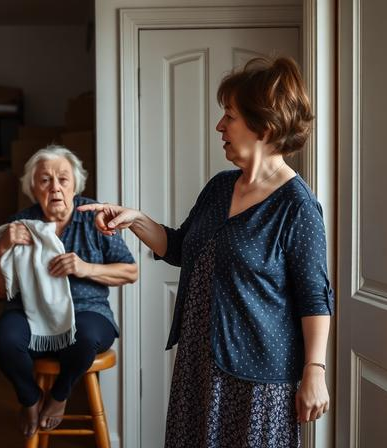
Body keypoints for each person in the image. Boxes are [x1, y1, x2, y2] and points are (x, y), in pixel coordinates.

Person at [79, 56, 333, 447]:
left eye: (229, 116)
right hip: (199, 364)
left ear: (263, 125)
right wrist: (135, 219)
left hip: (257, 378)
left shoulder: (297, 206)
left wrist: (314, 370)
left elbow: (314, 297)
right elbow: (184, 248)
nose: (220, 126)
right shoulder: (219, 188)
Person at [0, 145, 138, 438]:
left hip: (87, 310)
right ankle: (30, 399)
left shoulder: (94, 218)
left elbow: (131, 271)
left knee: (85, 337)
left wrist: (85, 268)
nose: (55, 187)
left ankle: (58, 397)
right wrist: (3, 246)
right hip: (30, 313)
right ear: (33, 187)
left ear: (75, 185)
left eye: (63, 179)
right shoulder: (20, 224)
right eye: (45, 180)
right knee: (4, 338)